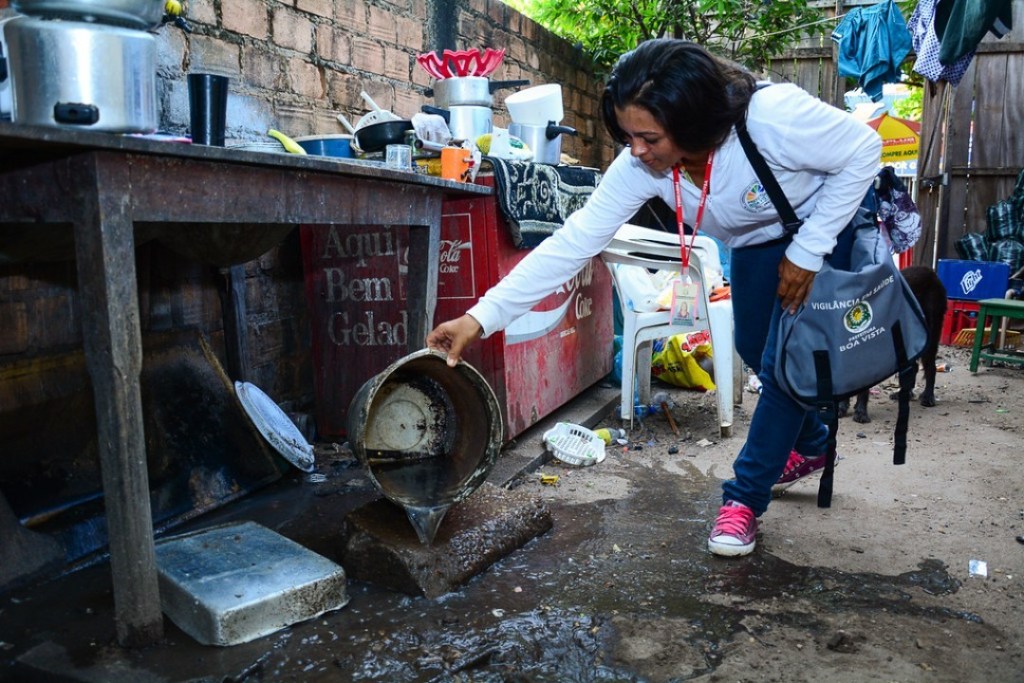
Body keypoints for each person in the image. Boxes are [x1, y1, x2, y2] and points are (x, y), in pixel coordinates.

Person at [426, 39, 881, 557]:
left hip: (820, 223)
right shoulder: (641, 166)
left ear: (694, 121)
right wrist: (479, 318)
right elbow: (572, 244)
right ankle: (815, 445)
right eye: (627, 135)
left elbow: (864, 151)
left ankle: (743, 501)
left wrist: (810, 250)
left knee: (783, 364)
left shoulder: (772, 116)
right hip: (757, 242)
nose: (636, 150)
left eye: (649, 136)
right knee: (756, 348)